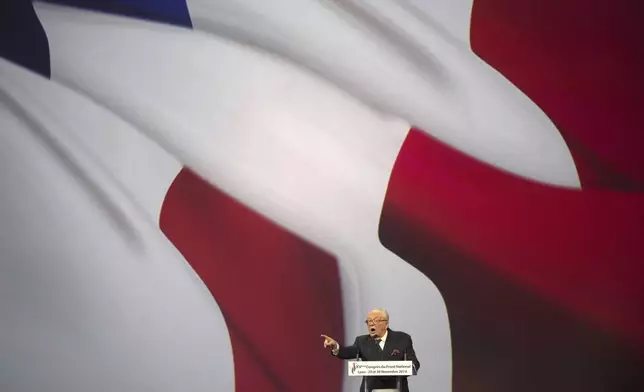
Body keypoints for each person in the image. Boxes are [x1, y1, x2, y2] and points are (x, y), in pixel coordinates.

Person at [321, 309, 420, 392]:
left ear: (386, 324)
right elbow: (347, 352)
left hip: (397, 388)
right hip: (370, 389)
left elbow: (414, 363)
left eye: (376, 320)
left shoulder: (402, 339)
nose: (371, 324)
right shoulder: (362, 341)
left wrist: (404, 369)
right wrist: (335, 346)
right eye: (369, 321)